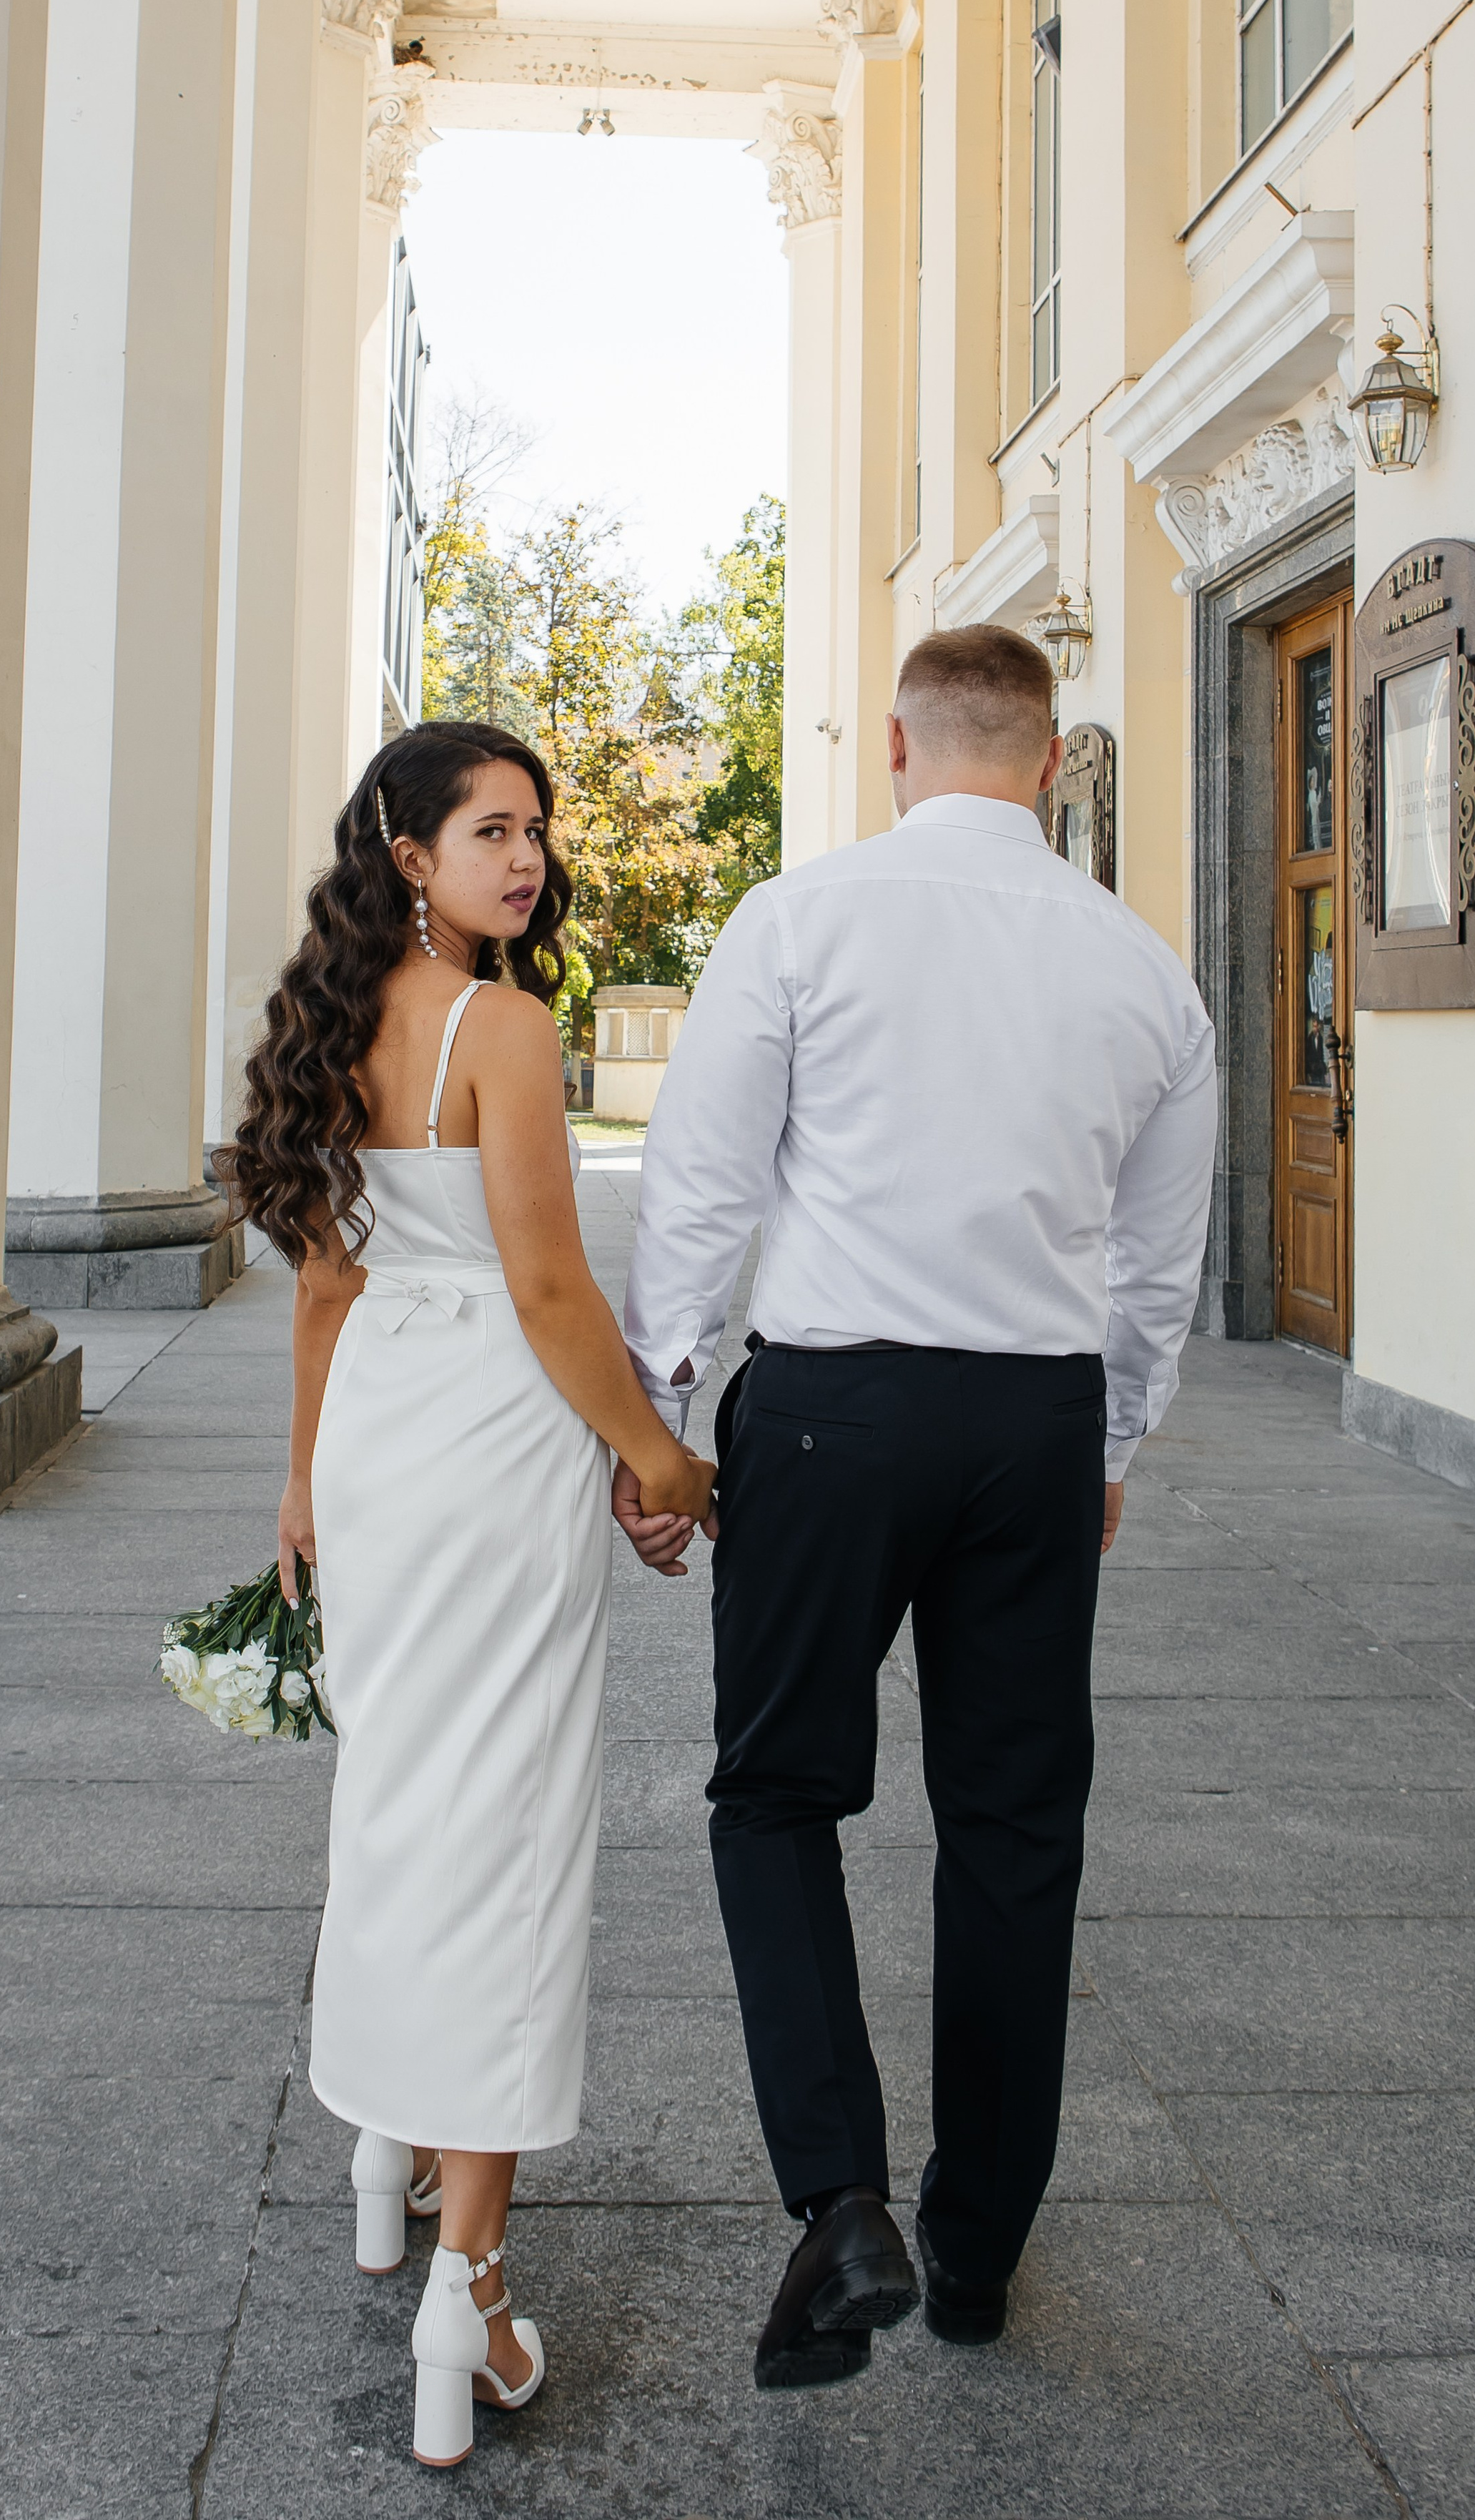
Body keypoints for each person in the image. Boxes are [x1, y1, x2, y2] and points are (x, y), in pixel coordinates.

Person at [616, 624, 1217, 2390]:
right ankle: (973, 2253)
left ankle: (839, 2201)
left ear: (896, 746)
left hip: (827, 1415)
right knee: (1014, 1829)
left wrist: (659, 1422)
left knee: (775, 1795)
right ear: (1046, 759)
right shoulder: (1139, 969)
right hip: (1026, 1418)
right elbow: (1156, 1261)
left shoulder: (801, 920)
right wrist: (1103, 1444)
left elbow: (704, 1190)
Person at [220, 722, 715, 2469]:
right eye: (489, 831)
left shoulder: (325, 1032)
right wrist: (660, 1458)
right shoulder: (501, 1030)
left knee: (398, 1797)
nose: (526, 859)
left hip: (376, 1441)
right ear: (406, 853)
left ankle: (382, 2161)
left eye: (536, 831)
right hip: (491, 1442)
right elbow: (549, 1291)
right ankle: (467, 2289)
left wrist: (299, 1481)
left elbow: (327, 1292)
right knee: (502, 1835)